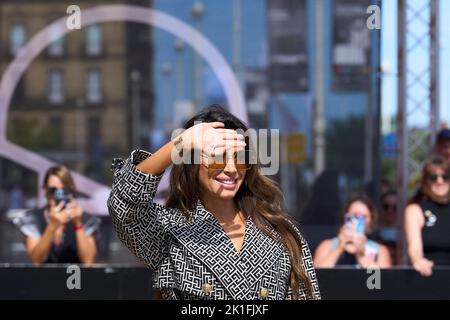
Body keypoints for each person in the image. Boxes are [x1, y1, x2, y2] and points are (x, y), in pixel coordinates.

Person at [108, 105, 320, 300]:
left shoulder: (281, 233)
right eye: (217, 157)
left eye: (239, 157)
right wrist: (182, 143)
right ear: (192, 163)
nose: (230, 168)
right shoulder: (169, 229)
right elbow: (124, 204)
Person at [13, 165, 99, 264]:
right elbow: (36, 260)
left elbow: (88, 261)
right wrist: (53, 225)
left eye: (64, 190)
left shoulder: (84, 219)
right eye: (53, 190)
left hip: (75, 278)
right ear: (44, 190)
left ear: (71, 191)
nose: (58, 195)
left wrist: (78, 224)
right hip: (44, 278)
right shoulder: (33, 219)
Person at [313, 195, 391, 268]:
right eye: (354, 216)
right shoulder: (327, 246)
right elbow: (315, 277)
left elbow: (382, 280)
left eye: (363, 217)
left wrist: (361, 256)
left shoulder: (379, 250)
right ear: (345, 217)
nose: (357, 221)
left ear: (371, 221)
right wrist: (339, 248)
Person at [405, 155, 450, 277]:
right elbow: (414, 248)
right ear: (425, 182)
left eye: (445, 177)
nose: (439, 181)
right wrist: (418, 261)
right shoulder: (415, 210)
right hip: (430, 276)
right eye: (433, 177)